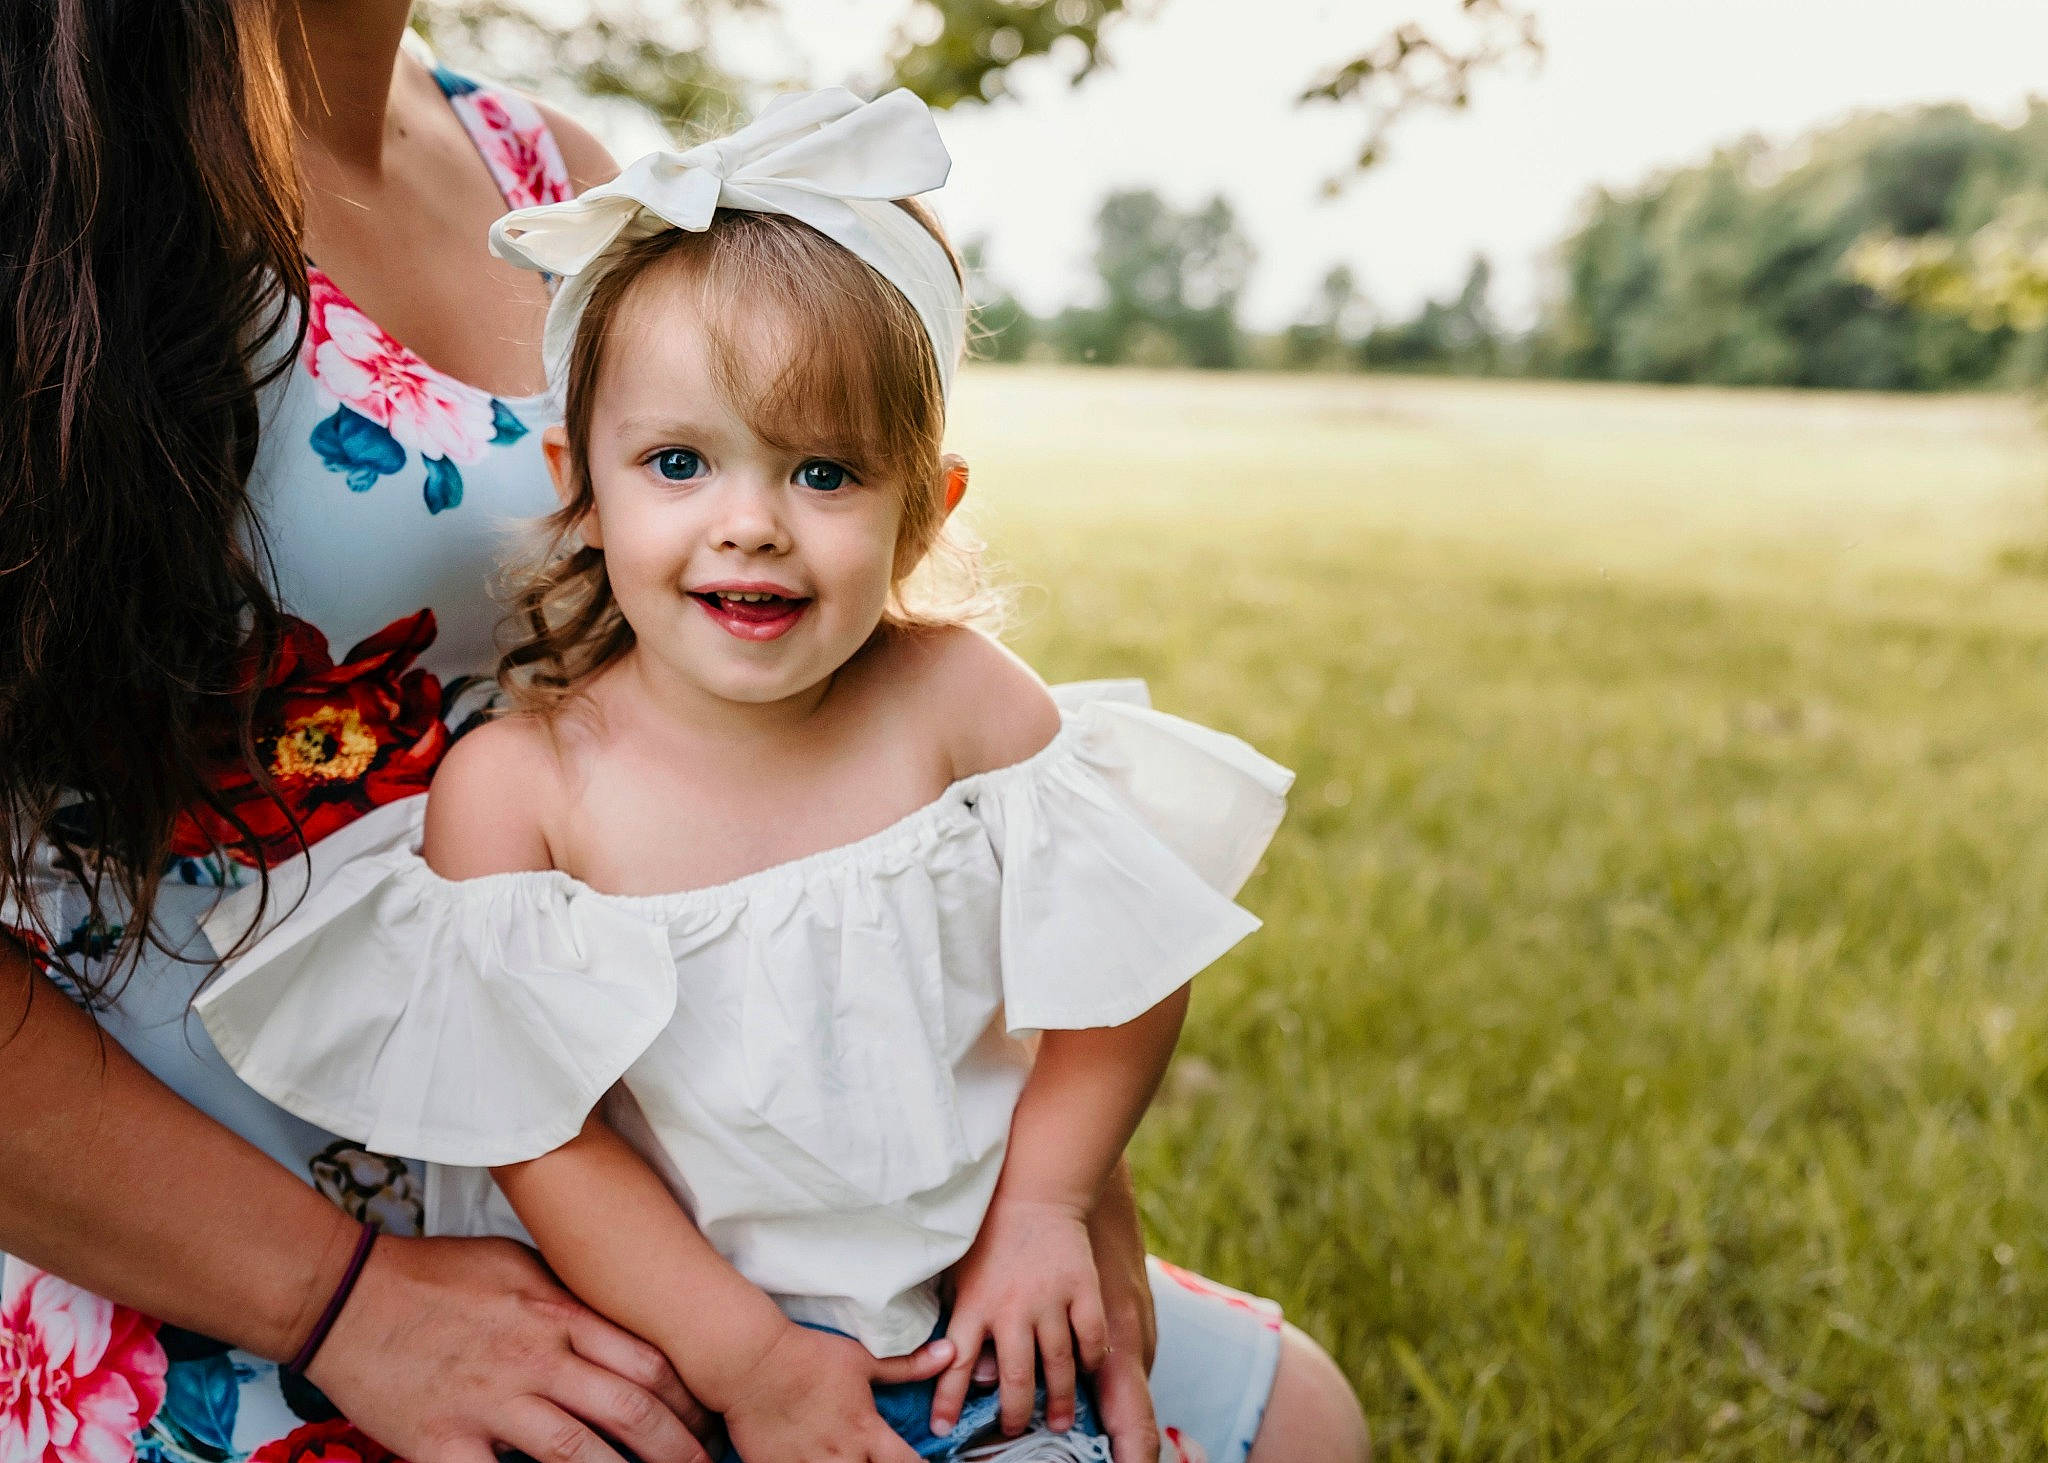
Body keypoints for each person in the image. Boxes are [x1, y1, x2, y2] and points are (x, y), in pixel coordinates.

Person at [0, 5, 1370, 1463]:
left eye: (824, 475)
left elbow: (1071, 940)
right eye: (676, 466)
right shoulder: (50, 174)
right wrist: (345, 1305)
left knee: (1291, 1421)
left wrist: (1051, 1194)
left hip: (713, 1155)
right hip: (198, 1228)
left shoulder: (551, 171)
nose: (747, 522)